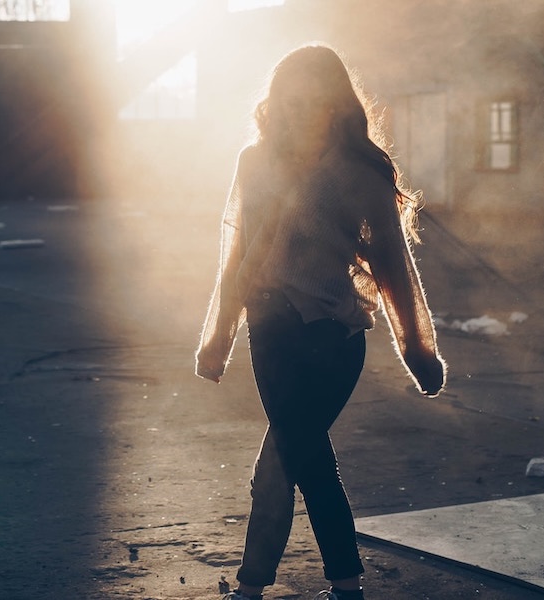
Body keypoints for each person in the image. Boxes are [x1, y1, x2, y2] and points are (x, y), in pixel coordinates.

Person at [195, 44, 446, 600]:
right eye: (290, 101)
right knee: (304, 458)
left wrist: (419, 352)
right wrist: (218, 339)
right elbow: (235, 254)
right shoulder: (254, 163)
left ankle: (255, 586)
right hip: (272, 336)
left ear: (336, 106)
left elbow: (393, 268)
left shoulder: (361, 174)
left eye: (314, 101)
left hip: (333, 337)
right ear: (275, 103)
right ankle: (344, 585)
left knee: (283, 459)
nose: (301, 111)